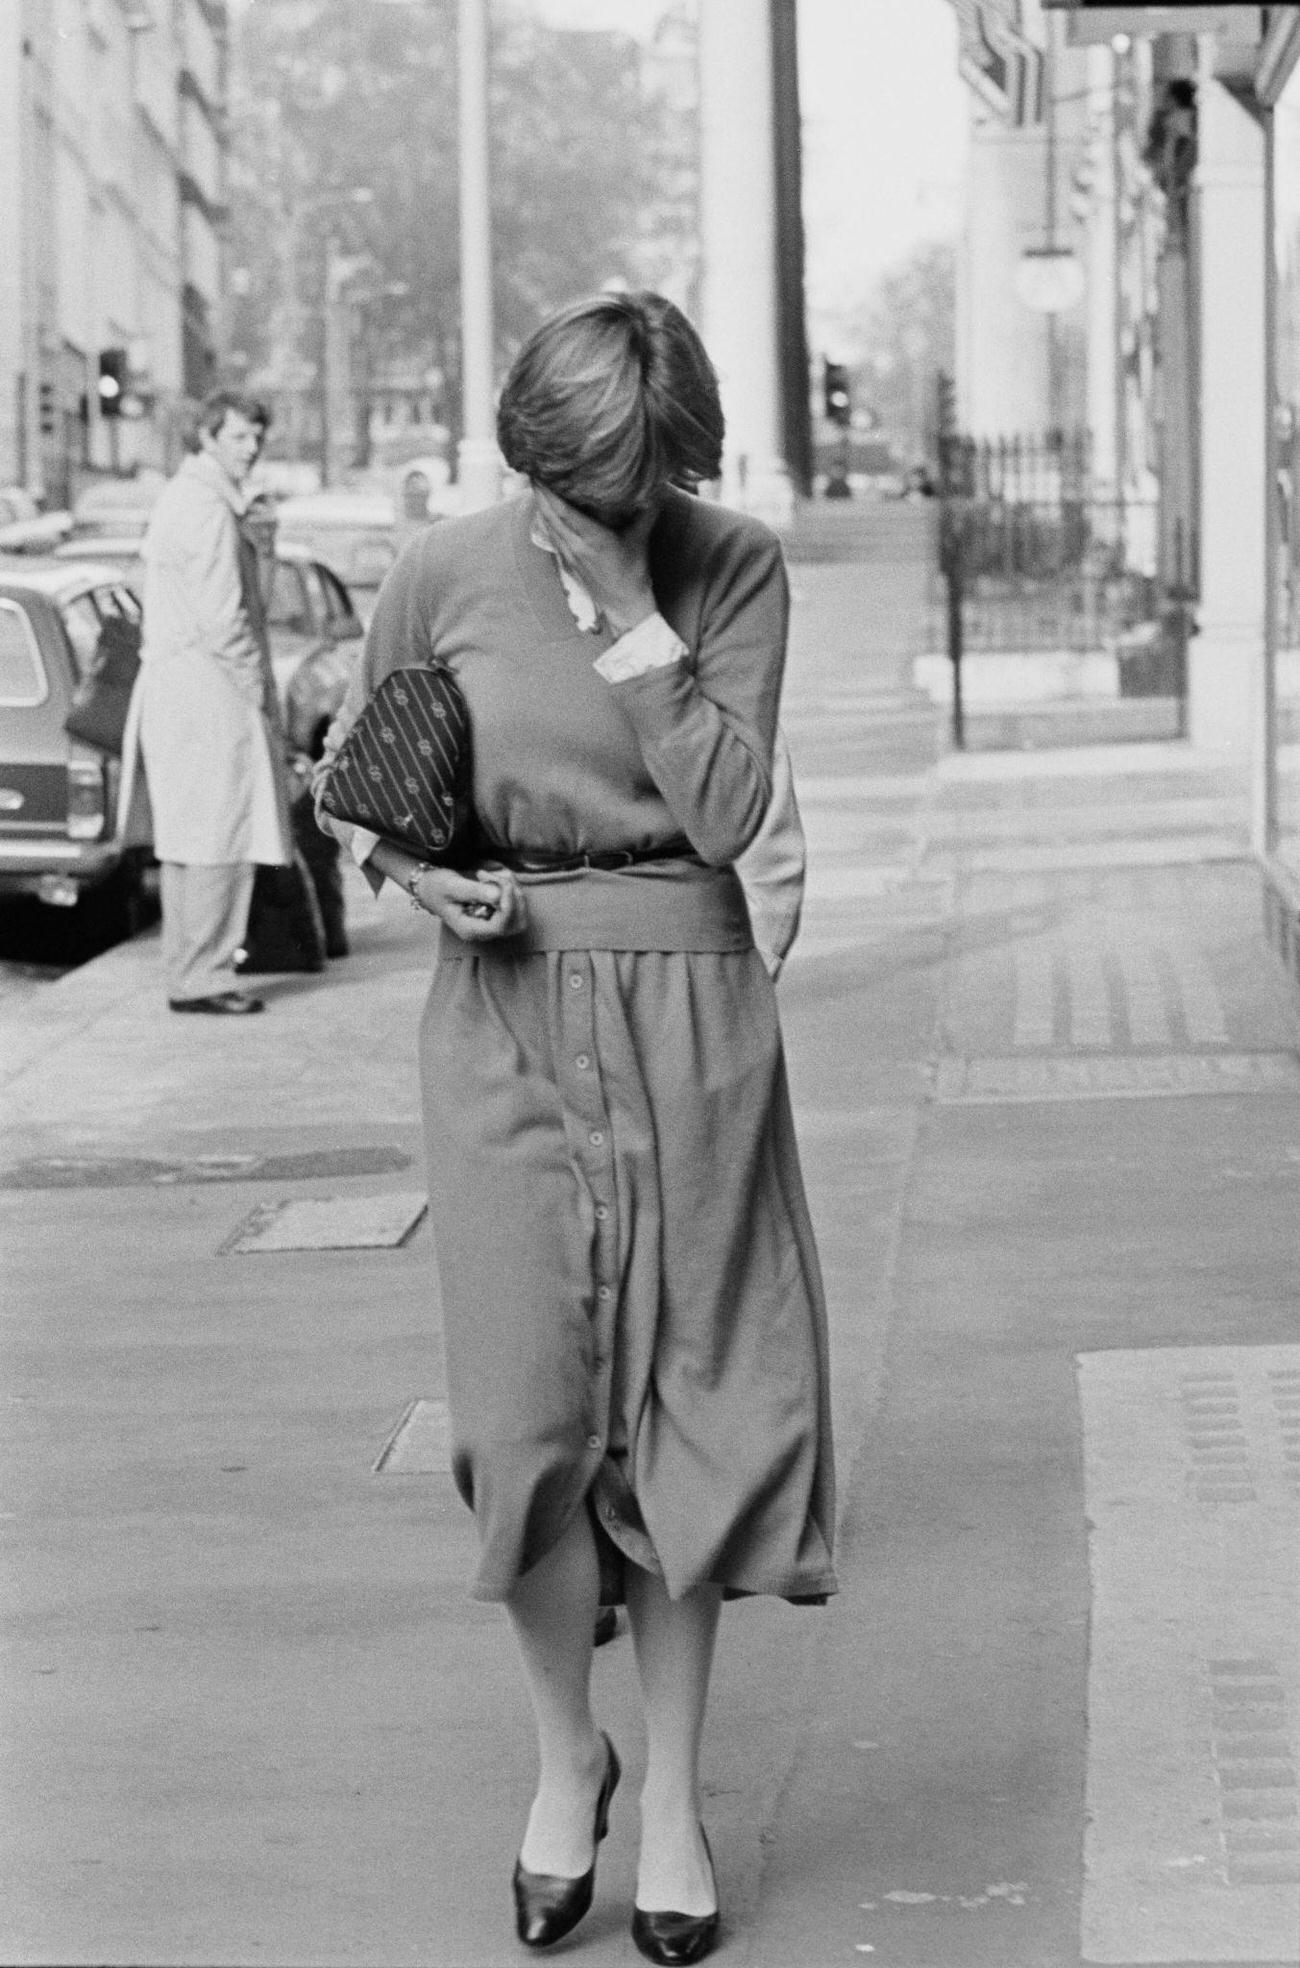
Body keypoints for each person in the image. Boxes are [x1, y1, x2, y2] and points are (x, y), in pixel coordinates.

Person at [319, 291, 835, 1963]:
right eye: (565, 485)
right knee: (527, 1426)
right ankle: (569, 1758)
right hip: (509, 1008)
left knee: (688, 1419)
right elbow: (366, 782)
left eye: (624, 492)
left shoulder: (731, 564)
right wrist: (422, 874)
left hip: (691, 1006)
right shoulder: (444, 569)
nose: (588, 518)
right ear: (521, 450)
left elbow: (734, 810)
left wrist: (631, 618)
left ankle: (673, 1798)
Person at [134, 389, 292, 1013]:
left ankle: (191, 968)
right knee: (220, 831)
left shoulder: (193, 498)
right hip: (210, 687)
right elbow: (228, 616)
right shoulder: (204, 506)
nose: (250, 448)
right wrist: (254, 687)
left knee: (190, 835)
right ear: (206, 436)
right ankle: (206, 975)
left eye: (256, 437)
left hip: (183, 686)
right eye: (237, 436)